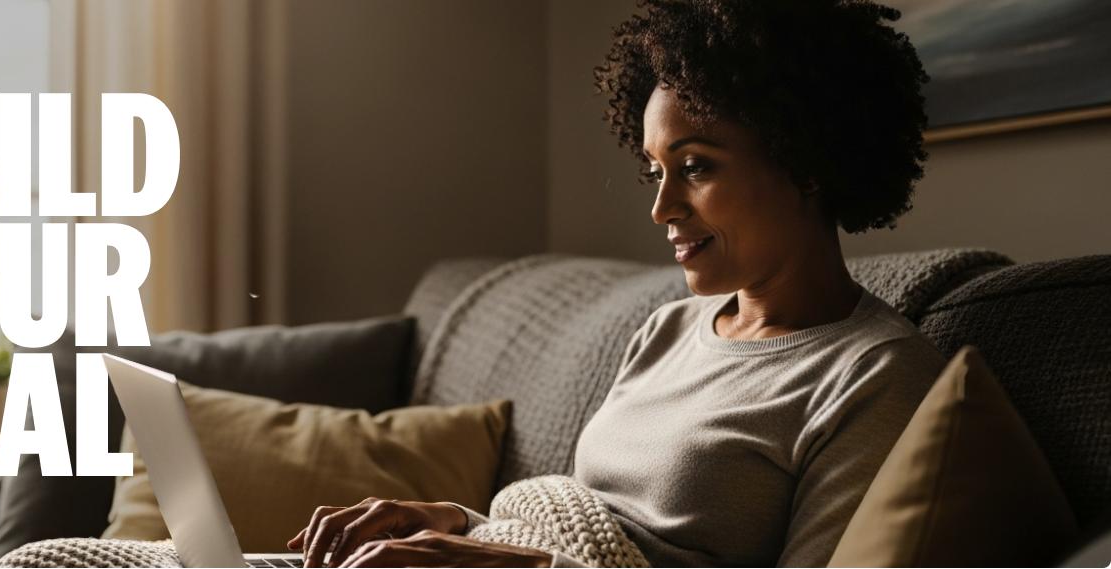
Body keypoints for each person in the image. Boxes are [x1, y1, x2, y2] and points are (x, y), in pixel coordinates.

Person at [288, 0, 943, 566]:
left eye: (695, 167)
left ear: (807, 164)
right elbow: (586, 529)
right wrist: (457, 525)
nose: (661, 208)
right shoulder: (668, 329)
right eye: (655, 168)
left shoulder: (876, 376)